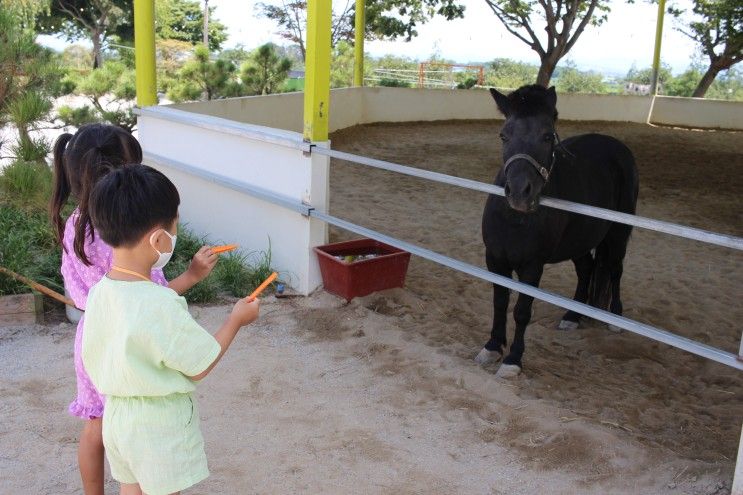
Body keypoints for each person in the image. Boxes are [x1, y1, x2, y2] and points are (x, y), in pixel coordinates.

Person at [50, 124, 219, 495]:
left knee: (96, 425)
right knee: (141, 426)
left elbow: (98, 298)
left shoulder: (77, 226)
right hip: (132, 344)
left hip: (95, 339)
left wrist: (188, 277)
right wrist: (190, 277)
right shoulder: (130, 239)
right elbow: (147, 305)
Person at [82, 164, 260, 495]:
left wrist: (191, 275)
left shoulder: (101, 292)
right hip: (157, 425)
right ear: (159, 239)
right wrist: (235, 320)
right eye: (173, 226)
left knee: (131, 489)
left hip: (119, 418)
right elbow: (200, 364)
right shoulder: (160, 303)